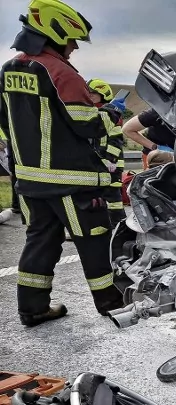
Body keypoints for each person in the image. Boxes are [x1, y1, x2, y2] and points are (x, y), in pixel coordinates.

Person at [0, 0, 126, 326]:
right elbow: (86, 123)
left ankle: (33, 308)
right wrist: (105, 118)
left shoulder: (9, 69)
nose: (72, 49)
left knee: (40, 241)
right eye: (71, 41)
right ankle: (113, 304)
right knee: (95, 240)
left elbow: (6, 122)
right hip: (73, 180)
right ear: (55, 33)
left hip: (29, 180)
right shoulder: (59, 71)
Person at [86, 78, 126, 223]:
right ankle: (102, 224)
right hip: (98, 164)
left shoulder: (112, 115)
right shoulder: (94, 113)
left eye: (93, 94)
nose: (89, 96)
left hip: (111, 165)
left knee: (113, 197)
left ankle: (118, 225)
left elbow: (116, 139)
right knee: (96, 197)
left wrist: (112, 159)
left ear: (103, 95)